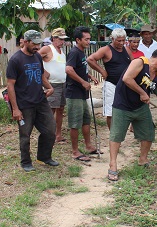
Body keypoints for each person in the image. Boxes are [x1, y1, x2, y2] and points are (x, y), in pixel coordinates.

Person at [107, 48, 157, 181]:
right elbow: (127, 78)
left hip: (141, 107)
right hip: (123, 105)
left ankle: (143, 159)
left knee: (148, 133)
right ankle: (113, 164)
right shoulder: (140, 62)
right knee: (117, 135)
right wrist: (142, 93)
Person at [6, 30, 59, 172]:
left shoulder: (37, 57)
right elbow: (10, 85)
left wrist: (50, 87)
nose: (37, 46)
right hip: (24, 104)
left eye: (38, 44)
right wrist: (15, 109)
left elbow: (41, 75)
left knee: (50, 130)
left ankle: (44, 156)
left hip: (40, 100)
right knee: (25, 134)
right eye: (34, 44)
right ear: (26, 42)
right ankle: (26, 162)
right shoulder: (15, 60)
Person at [65, 26, 100, 162]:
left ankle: (88, 146)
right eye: (86, 39)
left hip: (82, 93)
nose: (88, 42)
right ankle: (74, 151)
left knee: (86, 119)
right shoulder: (74, 52)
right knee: (75, 122)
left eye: (89, 39)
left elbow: (80, 68)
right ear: (78, 39)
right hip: (74, 93)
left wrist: (89, 77)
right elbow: (68, 70)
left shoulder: (81, 52)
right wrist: (82, 82)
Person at [87, 28, 132, 129]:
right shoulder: (106, 50)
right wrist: (102, 71)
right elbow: (90, 59)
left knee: (126, 109)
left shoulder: (127, 49)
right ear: (112, 39)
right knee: (110, 112)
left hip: (125, 84)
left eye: (123, 40)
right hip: (111, 84)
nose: (121, 43)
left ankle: (122, 130)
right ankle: (113, 135)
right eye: (119, 40)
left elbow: (133, 63)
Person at [39, 27, 69, 143]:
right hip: (51, 84)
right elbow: (35, 58)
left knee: (60, 109)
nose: (62, 42)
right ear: (54, 38)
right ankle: (48, 134)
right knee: (51, 110)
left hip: (62, 84)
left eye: (63, 39)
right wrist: (44, 72)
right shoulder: (47, 48)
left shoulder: (61, 52)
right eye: (60, 39)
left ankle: (58, 134)